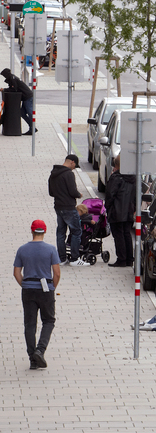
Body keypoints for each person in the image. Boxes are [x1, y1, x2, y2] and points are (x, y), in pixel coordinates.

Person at [13, 219, 61, 370]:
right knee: (49, 320)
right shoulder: (51, 249)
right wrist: (52, 287)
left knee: (30, 324)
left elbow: (16, 273)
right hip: (46, 288)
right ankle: (40, 350)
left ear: (32, 231)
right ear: (45, 231)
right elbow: (57, 273)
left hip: (28, 289)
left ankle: (32, 358)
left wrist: (25, 285)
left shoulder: (22, 249)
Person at [48, 154, 87, 266]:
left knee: (61, 232)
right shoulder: (69, 174)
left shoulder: (53, 173)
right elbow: (72, 191)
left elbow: (51, 192)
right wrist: (79, 195)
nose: (74, 168)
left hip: (58, 206)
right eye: (75, 166)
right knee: (76, 231)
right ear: (72, 162)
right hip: (69, 207)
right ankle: (74, 259)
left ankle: (62, 258)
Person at [105, 155, 136, 267]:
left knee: (118, 235)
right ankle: (129, 259)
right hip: (129, 211)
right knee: (127, 234)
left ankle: (121, 259)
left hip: (116, 211)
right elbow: (137, 195)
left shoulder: (116, 178)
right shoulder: (133, 178)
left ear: (116, 165)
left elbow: (110, 195)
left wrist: (107, 207)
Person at [1, 68, 34, 134]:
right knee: (22, 113)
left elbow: (14, 89)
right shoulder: (12, 78)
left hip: (28, 97)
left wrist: (4, 90)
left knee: (30, 113)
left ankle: (32, 127)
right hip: (25, 97)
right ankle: (32, 127)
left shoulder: (13, 79)